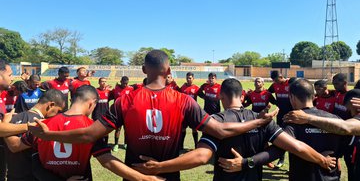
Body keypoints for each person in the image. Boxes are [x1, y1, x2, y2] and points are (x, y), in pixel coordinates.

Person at [29, 49, 278, 181]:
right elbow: (221, 131)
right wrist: (259, 120)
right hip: (168, 177)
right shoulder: (183, 100)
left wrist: (49, 133)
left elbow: (88, 135)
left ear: (143, 70)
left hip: (135, 177)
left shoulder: (126, 99)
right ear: (169, 70)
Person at [132, 78, 336, 181]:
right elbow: (295, 147)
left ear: (221, 96)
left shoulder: (217, 121)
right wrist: (323, 160)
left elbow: (202, 157)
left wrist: (160, 167)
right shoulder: (262, 120)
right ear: (242, 95)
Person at [21, 85, 161, 181]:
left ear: (72, 100)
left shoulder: (42, 125)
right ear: (92, 103)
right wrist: (143, 178)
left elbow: (30, 157)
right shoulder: (91, 129)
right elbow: (107, 162)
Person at [231, 79, 351, 181]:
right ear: (314, 96)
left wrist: (247, 162)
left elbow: (276, 151)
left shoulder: (292, 120)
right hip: (331, 177)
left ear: (292, 97)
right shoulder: (335, 120)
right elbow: (344, 148)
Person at [284, 89, 360, 181]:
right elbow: (341, 149)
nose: (349, 112)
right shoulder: (335, 118)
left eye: (349, 108)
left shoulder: (293, 119)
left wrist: (307, 118)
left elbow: (345, 127)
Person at [4, 89, 66, 181]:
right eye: (58, 111)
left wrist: (5, 126)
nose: (57, 115)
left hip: (12, 176)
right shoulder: (42, 124)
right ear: (51, 105)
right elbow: (14, 146)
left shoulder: (12, 118)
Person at [267, 70, 291, 168]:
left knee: (292, 138)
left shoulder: (291, 83)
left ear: (281, 77)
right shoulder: (274, 85)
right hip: (280, 115)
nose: (275, 82)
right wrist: (275, 102)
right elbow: (267, 93)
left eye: (276, 80)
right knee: (281, 137)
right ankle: (281, 159)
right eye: (274, 81)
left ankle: (293, 164)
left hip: (291, 114)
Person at [111, 76, 134, 152]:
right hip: (118, 112)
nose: (125, 85)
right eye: (124, 83)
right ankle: (116, 145)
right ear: (121, 81)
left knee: (126, 129)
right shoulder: (116, 88)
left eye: (126, 83)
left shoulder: (130, 89)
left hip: (127, 112)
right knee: (118, 129)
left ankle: (125, 144)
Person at [179, 72, 200, 149]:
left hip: (192, 112)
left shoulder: (196, 88)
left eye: (190, 78)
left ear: (193, 79)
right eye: (187, 78)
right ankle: (181, 146)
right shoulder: (183, 88)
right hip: (184, 112)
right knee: (183, 129)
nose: (189, 79)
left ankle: (196, 146)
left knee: (194, 129)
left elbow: (203, 96)